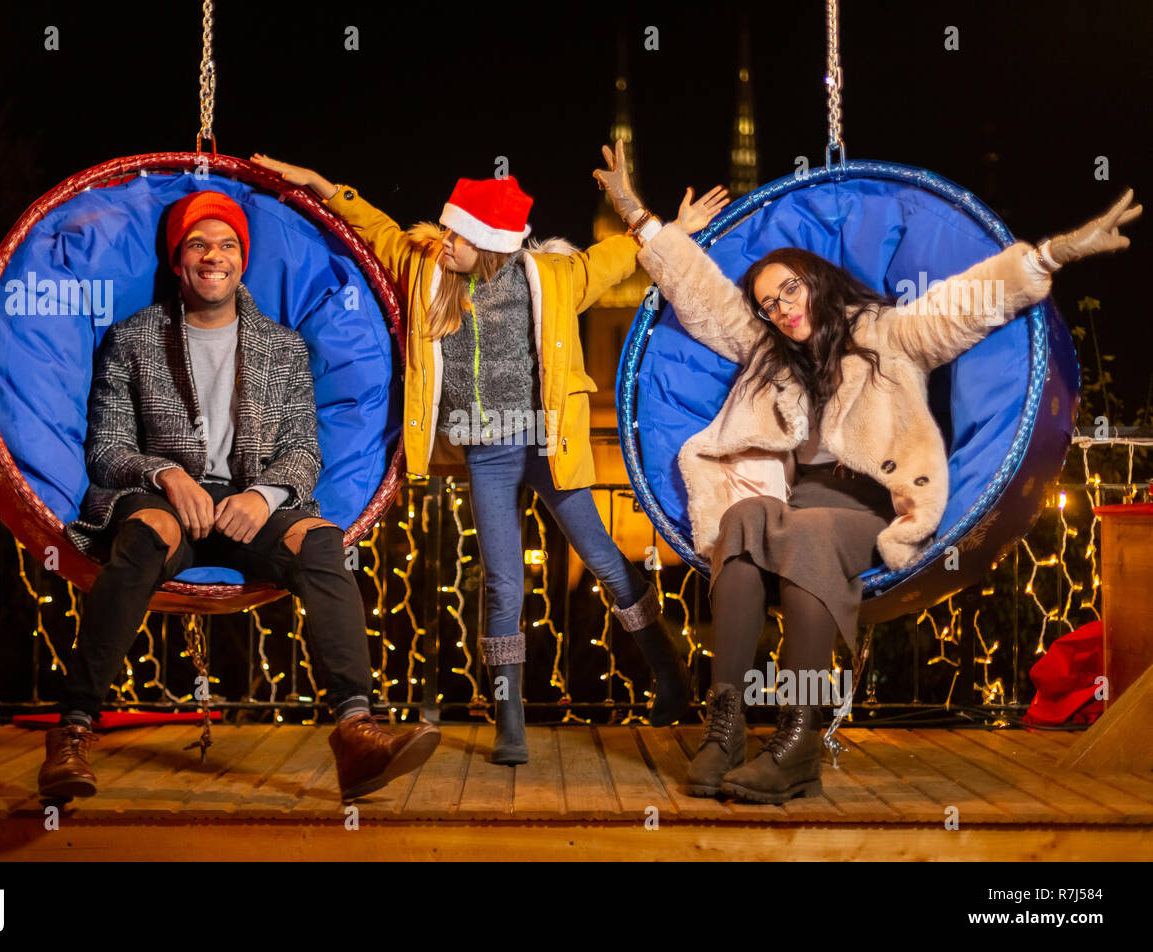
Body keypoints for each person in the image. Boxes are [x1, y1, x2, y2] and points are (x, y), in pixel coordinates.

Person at [600, 149, 1141, 803]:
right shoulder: (765, 351)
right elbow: (702, 296)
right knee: (742, 521)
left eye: (789, 290)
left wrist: (1052, 253)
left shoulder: (892, 334)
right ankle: (726, 726)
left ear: (817, 281)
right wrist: (636, 215)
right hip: (792, 500)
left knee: (809, 530)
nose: (780, 309)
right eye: (769, 303)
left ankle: (798, 741)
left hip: (868, 501)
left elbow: (970, 303)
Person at [249, 150, 727, 764]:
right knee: (503, 581)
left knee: (607, 562)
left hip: (549, 446)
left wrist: (669, 226)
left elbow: (628, 257)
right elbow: (381, 232)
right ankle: (510, 719)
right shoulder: (430, 274)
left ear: (488, 242)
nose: (443, 241)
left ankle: (669, 672)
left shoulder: (553, 278)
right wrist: (324, 186)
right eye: (446, 231)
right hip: (487, 451)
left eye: (457, 235)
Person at [43, 189, 441, 802]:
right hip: (159, 496)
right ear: (178, 262)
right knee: (146, 536)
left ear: (242, 261)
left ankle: (357, 730)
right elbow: (107, 450)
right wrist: (166, 477)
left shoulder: (283, 345)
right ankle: (72, 732)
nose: (214, 255)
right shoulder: (132, 339)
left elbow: (305, 453)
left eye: (227, 244)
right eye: (198, 244)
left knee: (320, 541)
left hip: (247, 503)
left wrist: (265, 494)